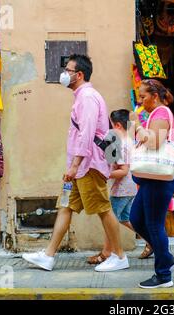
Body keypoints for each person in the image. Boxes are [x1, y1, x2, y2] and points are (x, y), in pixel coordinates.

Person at [22, 54, 128, 272]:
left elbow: (87, 134)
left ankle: (119, 256)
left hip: (87, 166)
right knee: (66, 206)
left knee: (103, 209)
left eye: (68, 70)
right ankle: (48, 256)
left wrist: (74, 165)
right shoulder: (82, 96)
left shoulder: (87, 97)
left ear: (79, 75)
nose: (64, 74)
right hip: (80, 167)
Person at [129, 79, 174, 289]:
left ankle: (163, 276)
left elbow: (153, 143)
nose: (140, 100)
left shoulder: (160, 113)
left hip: (160, 178)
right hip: (151, 178)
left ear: (155, 95)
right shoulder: (154, 113)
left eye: (143, 96)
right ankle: (167, 258)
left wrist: (137, 126)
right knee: (136, 218)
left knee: (153, 224)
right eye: (139, 97)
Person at [87, 109, 153, 264]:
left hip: (121, 189)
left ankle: (106, 254)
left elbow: (122, 171)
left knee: (110, 221)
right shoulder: (129, 140)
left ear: (117, 125)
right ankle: (152, 241)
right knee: (125, 219)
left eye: (109, 125)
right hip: (131, 187)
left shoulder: (118, 143)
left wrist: (104, 174)